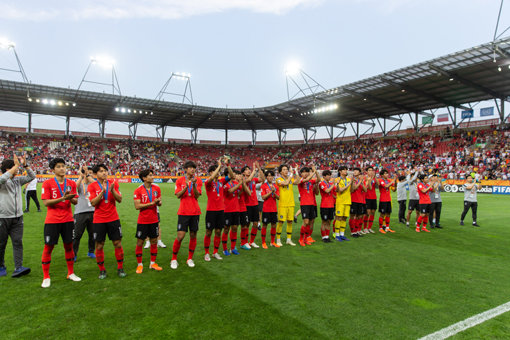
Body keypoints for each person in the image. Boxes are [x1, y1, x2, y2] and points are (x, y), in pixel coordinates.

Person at [40, 158, 81, 288]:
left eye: (63, 166)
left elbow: (75, 202)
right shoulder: (47, 183)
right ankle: (46, 277)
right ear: (53, 169)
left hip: (68, 220)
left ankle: (71, 273)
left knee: (69, 246)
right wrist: (63, 198)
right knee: (49, 247)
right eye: (58, 166)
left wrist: (70, 198)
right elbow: (46, 202)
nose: (62, 168)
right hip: (52, 221)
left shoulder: (71, 183)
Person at [88, 164, 126, 279]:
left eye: (105, 171)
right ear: (95, 174)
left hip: (113, 218)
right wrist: (102, 192)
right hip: (99, 220)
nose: (104, 173)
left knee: (117, 243)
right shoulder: (92, 186)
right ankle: (102, 270)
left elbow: (119, 199)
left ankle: (120, 268)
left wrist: (112, 190)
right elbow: (93, 203)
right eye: (101, 171)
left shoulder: (114, 184)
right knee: (99, 245)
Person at [0, 153, 34, 278]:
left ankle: (18, 267)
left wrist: (25, 165)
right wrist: (16, 165)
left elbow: (32, 176)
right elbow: (3, 179)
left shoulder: (17, 180)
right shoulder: (2, 180)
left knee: (17, 242)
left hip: (18, 218)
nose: (18, 170)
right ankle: (1, 266)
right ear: (8, 170)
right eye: (15, 168)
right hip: (3, 218)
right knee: (1, 243)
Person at [172, 161, 203, 269]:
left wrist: (193, 184)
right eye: (190, 168)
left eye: (194, 168)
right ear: (185, 169)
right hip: (183, 212)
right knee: (180, 236)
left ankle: (190, 258)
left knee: (193, 235)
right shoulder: (180, 180)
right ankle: (174, 259)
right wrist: (185, 187)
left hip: (195, 212)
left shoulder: (198, 180)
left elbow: (197, 195)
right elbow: (178, 195)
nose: (192, 170)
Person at [134, 169, 163, 274]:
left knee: (154, 241)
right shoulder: (138, 190)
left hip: (154, 219)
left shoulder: (157, 188)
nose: (152, 177)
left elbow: (160, 203)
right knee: (140, 242)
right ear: (144, 178)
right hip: (143, 220)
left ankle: (153, 263)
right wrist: (151, 203)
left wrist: (158, 203)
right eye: (150, 175)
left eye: (152, 175)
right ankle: (140, 265)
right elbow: (137, 206)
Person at [204, 158, 232, 261]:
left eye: (219, 171)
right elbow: (211, 179)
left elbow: (232, 176)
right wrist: (219, 166)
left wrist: (227, 164)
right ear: (211, 172)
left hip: (221, 210)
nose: (218, 173)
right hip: (211, 211)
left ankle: (215, 252)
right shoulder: (208, 182)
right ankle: (206, 253)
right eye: (216, 171)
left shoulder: (221, 181)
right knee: (208, 232)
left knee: (218, 231)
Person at [73, 165, 96, 260]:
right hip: (80, 212)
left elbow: (98, 185)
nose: (88, 174)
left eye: (90, 172)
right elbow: (74, 188)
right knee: (77, 235)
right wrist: (81, 176)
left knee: (93, 234)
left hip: (93, 211)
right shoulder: (79, 183)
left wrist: (87, 176)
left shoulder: (93, 184)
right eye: (87, 172)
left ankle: (91, 251)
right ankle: (74, 254)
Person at [276, 164, 299, 246]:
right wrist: (291, 174)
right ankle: (278, 240)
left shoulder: (290, 179)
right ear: (280, 172)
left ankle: (288, 239)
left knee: (290, 221)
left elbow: (298, 181)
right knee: (281, 222)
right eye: (284, 169)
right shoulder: (278, 179)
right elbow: (285, 183)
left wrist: (295, 172)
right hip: (283, 204)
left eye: (287, 169)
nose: (286, 171)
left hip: (291, 203)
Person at [244, 163, 265, 249]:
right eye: (246, 169)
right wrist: (254, 169)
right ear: (243, 173)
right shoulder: (243, 179)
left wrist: (259, 168)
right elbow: (248, 180)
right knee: (247, 224)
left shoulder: (254, 179)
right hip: (247, 205)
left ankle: (251, 241)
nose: (248, 170)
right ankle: (245, 242)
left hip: (255, 204)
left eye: (249, 169)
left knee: (256, 223)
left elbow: (263, 179)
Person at [222, 167, 242, 256]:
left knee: (234, 228)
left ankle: (233, 248)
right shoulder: (225, 184)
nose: (234, 174)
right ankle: (224, 249)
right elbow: (230, 191)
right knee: (226, 229)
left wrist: (242, 184)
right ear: (228, 174)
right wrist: (239, 184)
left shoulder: (235, 182)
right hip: (227, 209)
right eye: (232, 173)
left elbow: (240, 192)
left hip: (236, 209)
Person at [296, 166, 318, 246]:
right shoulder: (301, 180)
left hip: (311, 204)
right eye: (303, 172)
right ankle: (301, 239)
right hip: (304, 204)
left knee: (310, 222)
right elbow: (307, 179)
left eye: (307, 172)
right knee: (306, 222)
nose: (305, 173)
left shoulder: (311, 181)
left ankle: (305, 239)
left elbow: (318, 180)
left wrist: (316, 172)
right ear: (301, 174)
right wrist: (313, 173)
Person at [260, 170, 279, 248]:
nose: (270, 177)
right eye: (268, 176)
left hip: (274, 209)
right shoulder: (263, 186)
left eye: (271, 176)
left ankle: (272, 242)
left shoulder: (276, 186)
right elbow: (263, 197)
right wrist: (271, 191)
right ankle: (263, 242)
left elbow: (278, 197)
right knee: (264, 225)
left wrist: (274, 192)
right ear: (266, 177)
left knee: (274, 225)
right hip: (266, 209)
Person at [334, 166, 351, 241]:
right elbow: (340, 190)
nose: (346, 171)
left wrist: (352, 183)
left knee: (344, 218)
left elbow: (352, 190)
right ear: (340, 171)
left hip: (348, 201)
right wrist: (349, 184)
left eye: (346, 169)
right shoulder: (337, 179)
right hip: (340, 201)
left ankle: (342, 234)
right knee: (339, 218)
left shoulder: (348, 179)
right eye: (344, 169)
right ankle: (337, 235)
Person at [349, 167, 368, 238]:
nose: (355, 171)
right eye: (354, 170)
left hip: (360, 200)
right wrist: (360, 181)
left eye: (356, 170)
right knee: (353, 216)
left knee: (359, 216)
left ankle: (356, 230)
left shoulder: (360, 180)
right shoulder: (352, 179)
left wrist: (362, 182)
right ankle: (352, 231)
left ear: (359, 172)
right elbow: (354, 188)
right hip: (353, 200)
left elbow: (365, 190)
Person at [319, 169, 336, 243]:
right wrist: (333, 184)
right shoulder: (322, 183)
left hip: (331, 205)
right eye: (328, 175)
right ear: (324, 176)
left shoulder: (331, 183)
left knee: (329, 221)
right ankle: (323, 237)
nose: (329, 177)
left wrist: (336, 184)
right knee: (324, 221)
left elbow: (336, 191)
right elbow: (327, 191)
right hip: (324, 205)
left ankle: (327, 236)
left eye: (330, 175)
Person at [378, 169, 396, 233]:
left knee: (388, 214)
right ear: (382, 175)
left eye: (387, 173)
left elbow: (394, 189)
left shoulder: (388, 180)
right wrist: (392, 181)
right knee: (382, 214)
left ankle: (387, 227)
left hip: (388, 199)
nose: (387, 174)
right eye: (385, 173)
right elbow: (386, 186)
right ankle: (380, 228)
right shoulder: (381, 181)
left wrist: (395, 182)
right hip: (383, 199)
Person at [364, 166, 378, 233]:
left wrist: (374, 177)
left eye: (372, 170)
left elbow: (378, 184)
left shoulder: (373, 178)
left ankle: (369, 227)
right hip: (367, 197)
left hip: (374, 197)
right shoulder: (365, 178)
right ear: (366, 171)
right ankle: (365, 228)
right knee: (367, 213)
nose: (371, 171)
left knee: (373, 212)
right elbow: (368, 188)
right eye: (369, 170)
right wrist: (369, 180)